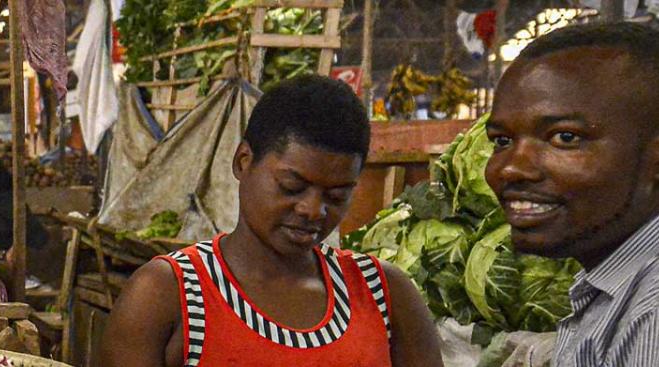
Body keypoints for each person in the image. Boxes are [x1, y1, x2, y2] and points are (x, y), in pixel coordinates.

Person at [100, 75, 441, 367]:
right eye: (292, 187)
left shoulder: (385, 294)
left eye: (336, 196)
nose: (313, 210)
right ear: (243, 161)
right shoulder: (166, 295)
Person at [483, 22, 659, 366]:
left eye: (564, 138)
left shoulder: (650, 315)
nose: (511, 168)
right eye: (502, 141)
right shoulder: (612, 289)